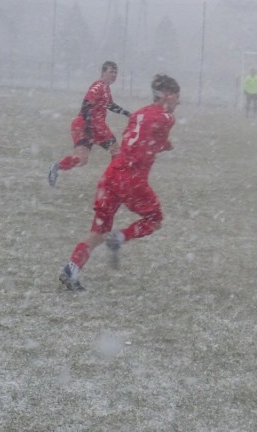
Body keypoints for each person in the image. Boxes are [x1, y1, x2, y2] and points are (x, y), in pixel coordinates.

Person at [58, 74, 181, 291]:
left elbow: (138, 136)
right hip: (132, 178)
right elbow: (157, 140)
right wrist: (166, 144)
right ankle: (120, 237)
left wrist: (161, 143)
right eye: (177, 98)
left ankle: (72, 268)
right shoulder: (166, 118)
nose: (178, 103)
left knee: (98, 229)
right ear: (168, 96)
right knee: (155, 219)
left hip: (112, 174)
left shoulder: (140, 113)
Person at [48, 60, 130, 186]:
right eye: (111, 72)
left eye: (116, 72)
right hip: (91, 124)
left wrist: (126, 113)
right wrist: (88, 126)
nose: (114, 75)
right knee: (116, 151)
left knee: (81, 159)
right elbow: (86, 105)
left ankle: (56, 167)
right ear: (103, 73)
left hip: (86, 125)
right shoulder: (98, 86)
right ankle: (115, 181)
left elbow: (110, 105)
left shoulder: (106, 88)